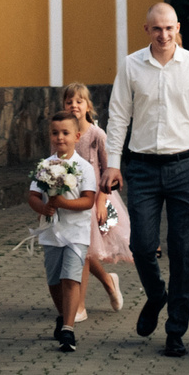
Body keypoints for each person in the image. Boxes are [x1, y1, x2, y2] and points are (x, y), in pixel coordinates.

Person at [104, 3, 189, 359]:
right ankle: (156, 295)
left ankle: (175, 330)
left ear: (178, 27)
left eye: (169, 28)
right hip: (141, 168)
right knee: (141, 245)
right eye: (157, 29)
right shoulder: (131, 65)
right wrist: (112, 164)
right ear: (147, 29)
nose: (164, 35)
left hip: (184, 167)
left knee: (182, 251)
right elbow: (118, 116)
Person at [28, 109, 101, 352]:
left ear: (77, 136)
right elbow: (33, 195)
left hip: (76, 233)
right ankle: (63, 315)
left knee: (71, 278)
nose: (60, 137)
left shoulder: (83, 167)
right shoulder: (45, 165)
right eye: (55, 133)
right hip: (51, 232)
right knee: (54, 280)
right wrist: (43, 207)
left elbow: (88, 200)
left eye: (65, 133)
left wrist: (63, 203)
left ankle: (68, 330)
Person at [62, 83, 127, 316]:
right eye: (69, 102)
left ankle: (78, 306)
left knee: (84, 252)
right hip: (70, 200)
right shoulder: (63, 134)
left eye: (79, 101)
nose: (74, 105)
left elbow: (109, 171)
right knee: (81, 251)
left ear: (88, 106)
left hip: (95, 200)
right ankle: (109, 281)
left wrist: (101, 203)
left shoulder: (97, 135)